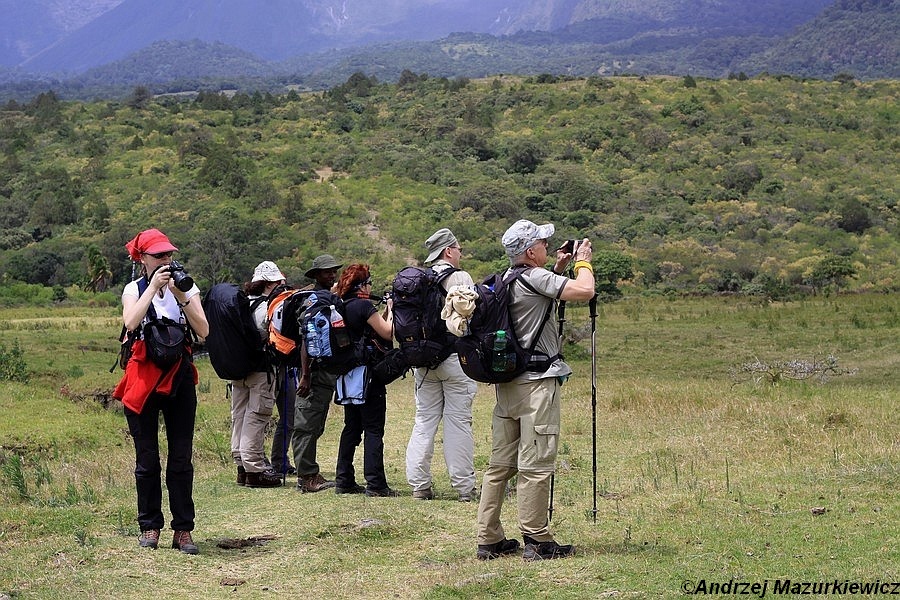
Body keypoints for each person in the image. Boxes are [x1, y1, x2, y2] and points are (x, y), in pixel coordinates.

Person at [475, 219, 595, 562]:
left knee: (499, 465)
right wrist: (583, 263)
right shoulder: (536, 277)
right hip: (537, 385)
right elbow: (584, 291)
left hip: (508, 384)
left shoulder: (505, 279)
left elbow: (535, 304)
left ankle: (488, 538)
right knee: (536, 464)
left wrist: (558, 269)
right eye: (542, 243)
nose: (546, 246)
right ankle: (537, 539)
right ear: (530, 252)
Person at [113, 228, 210, 555]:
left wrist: (181, 295)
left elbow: (204, 329)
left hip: (179, 376)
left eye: (168, 254)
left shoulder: (186, 287)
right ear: (143, 259)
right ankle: (150, 525)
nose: (166, 260)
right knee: (147, 458)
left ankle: (183, 529)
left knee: (181, 457)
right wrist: (153, 288)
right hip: (144, 376)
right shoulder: (134, 288)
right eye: (158, 255)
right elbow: (131, 322)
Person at [405, 229, 477, 502]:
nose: (460, 253)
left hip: (424, 362)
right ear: (448, 251)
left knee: (424, 421)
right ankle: (464, 488)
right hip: (455, 359)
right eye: (458, 248)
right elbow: (469, 317)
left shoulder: (419, 280)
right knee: (458, 422)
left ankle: (419, 485)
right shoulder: (459, 277)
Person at [332, 264, 398, 497]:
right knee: (373, 429)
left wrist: (385, 312)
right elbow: (388, 332)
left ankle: (344, 480)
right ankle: (376, 484)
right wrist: (392, 309)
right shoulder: (363, 306)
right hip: (368, 376)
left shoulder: (341, 305)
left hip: (347, 375)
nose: (371, 287)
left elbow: (373, 330)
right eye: (369, 283)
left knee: (351, 428)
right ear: (362, 286)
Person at [291, 254, 343, 493]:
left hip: (322, 371)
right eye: (326, 272)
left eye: (333, 271)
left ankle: (309, 473)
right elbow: (306, 339)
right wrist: (305, 375)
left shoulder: (326, 299)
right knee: (306, 424)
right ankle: (307, 477)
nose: (331, 275)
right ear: (316, 275)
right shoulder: (314, 302)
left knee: (314, 423)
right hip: (313, 372)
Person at [231, 261, 285, 488]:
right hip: (261, 371)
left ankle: (241, 467)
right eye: (278, 283)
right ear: (269, 284)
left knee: (239, 416)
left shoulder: (240, 304)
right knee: (257, 416)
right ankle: (255, 470)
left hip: (238, 369)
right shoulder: (268, 307)